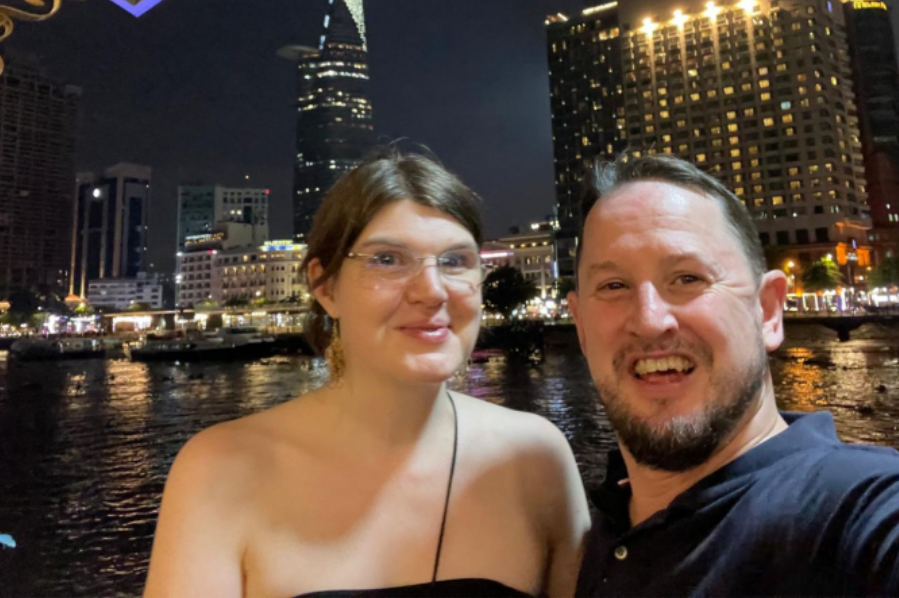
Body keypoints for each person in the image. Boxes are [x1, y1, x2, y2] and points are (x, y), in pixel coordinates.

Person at [144, 148, 590, 597]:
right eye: (387, 259)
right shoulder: (220, 472)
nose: (432, 291)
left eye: (455, 261)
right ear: (325, 286)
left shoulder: (537, 459)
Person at [568, 154, 899, 597]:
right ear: (581, 328)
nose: (650, 321)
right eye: (613, 286)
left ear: (767, 311)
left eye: (687, 278)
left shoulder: (848, 514)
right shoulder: (591, 531)